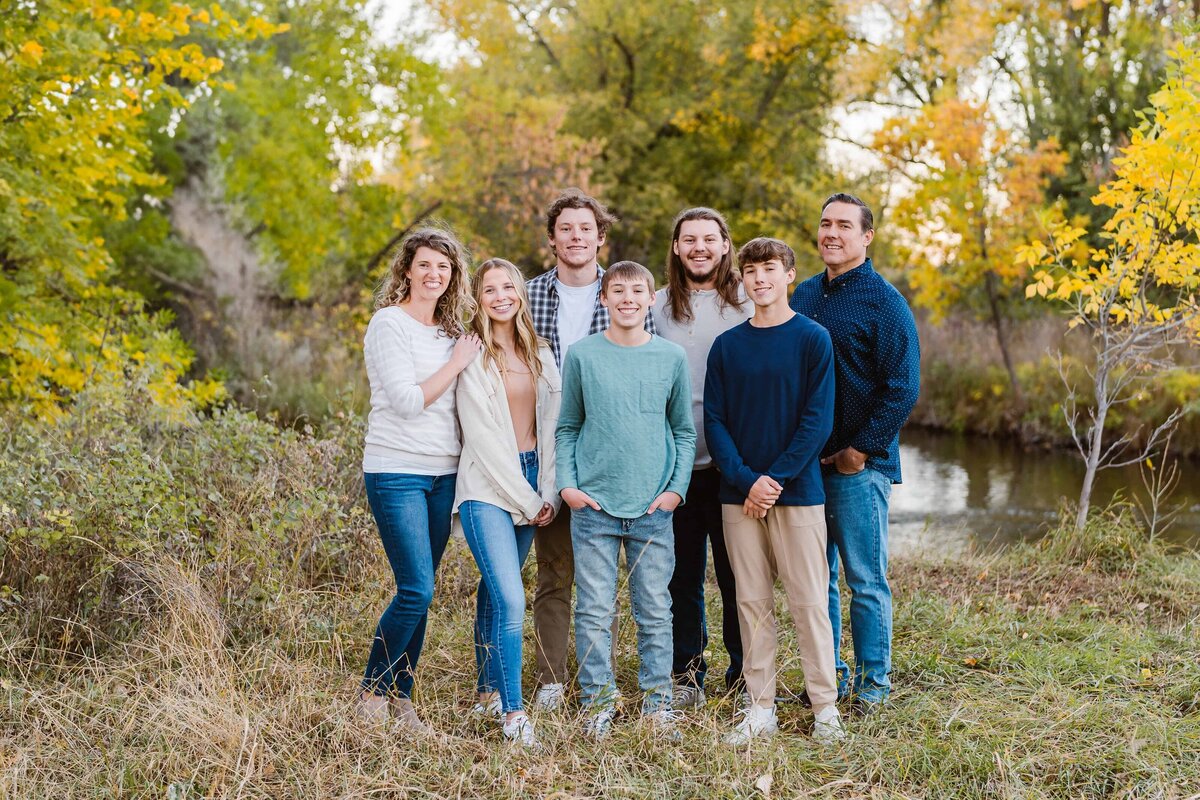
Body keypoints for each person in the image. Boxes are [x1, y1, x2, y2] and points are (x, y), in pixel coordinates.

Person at [705, 236, 846, 745]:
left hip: (799, 492)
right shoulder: (727, 346)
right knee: (752, 602)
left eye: (769, 269)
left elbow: (817, 421)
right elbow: (715, 424)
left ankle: (824, 707)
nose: (759, 278)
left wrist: (775, 479)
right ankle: (759, 706)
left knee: (809, 602)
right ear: (741, 279)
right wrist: (747, 480)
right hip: (737, 496)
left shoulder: (813, 339)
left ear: (789, 275)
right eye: (750, 271)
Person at [524, 188, 656, 710]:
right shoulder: (529, 296)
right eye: (566, 229)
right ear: (553, 239)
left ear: (601, 238)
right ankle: (552, 680)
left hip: (611, 456)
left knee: (608, 581)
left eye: (586, 229)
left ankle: (606, 680)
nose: (576, 237)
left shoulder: (628, 292)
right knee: (554, 571)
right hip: (546, 449)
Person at [789, 193, 920, 714]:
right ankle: (829, 676)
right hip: (805, 468)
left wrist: (860, 450)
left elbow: (903, 387)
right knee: (814, 580)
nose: (832, 233)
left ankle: (873, 686)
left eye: (844, 225)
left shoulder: (884, 302)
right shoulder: (801, 294)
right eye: (825, 224)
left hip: (857, 468)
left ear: (866, 237)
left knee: (865, 580)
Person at [556, 261, 695, 739]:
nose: (628, 299)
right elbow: (568, 426)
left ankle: (657, 706)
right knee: (594, 608)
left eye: (637, 291)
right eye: (618, 291)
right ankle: (598, 701)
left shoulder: (671, 357)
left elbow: (682, 430)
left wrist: (676, 489)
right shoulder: (582, 355)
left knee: (655, 608)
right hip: (592, 506)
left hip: (653, 508)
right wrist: (568, 487)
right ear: (604, 299)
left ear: (651, 298)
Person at [358, 228, 480, 732]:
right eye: (425, 265)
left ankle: (401, 700)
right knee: (417, 589)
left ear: (453, 277)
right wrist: (455, 365)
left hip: (443, 474)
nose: (434, 274)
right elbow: (408, 401)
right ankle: (371, 694)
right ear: (407, 269)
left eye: (444, 268)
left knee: (422, 589)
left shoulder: (451, 333)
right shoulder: (389, 324)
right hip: (396, 471)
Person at [455, 257, 562, 748]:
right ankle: (515, 713)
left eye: (508, 287)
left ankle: (485, 691)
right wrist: (525, 497)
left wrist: (548, 491)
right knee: (512, 596)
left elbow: (555, 428)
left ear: (520, 293)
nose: (501, 296)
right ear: (478, 298)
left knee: (493, 592)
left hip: (533, 479)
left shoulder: (539, 350)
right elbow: (482, 439)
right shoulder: (472, 355)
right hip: (487, 487)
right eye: (490, 289)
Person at [650, 207, 750, 708]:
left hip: (732, 463)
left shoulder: (748, 302)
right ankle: (687, 673)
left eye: (709, 239)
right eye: (689, 239)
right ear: (676, 247)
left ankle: (744, 669)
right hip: (675, 467)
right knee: (681, 575)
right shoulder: (655, 306)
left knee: (738, 574)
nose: (699, 247)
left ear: (725, 245)